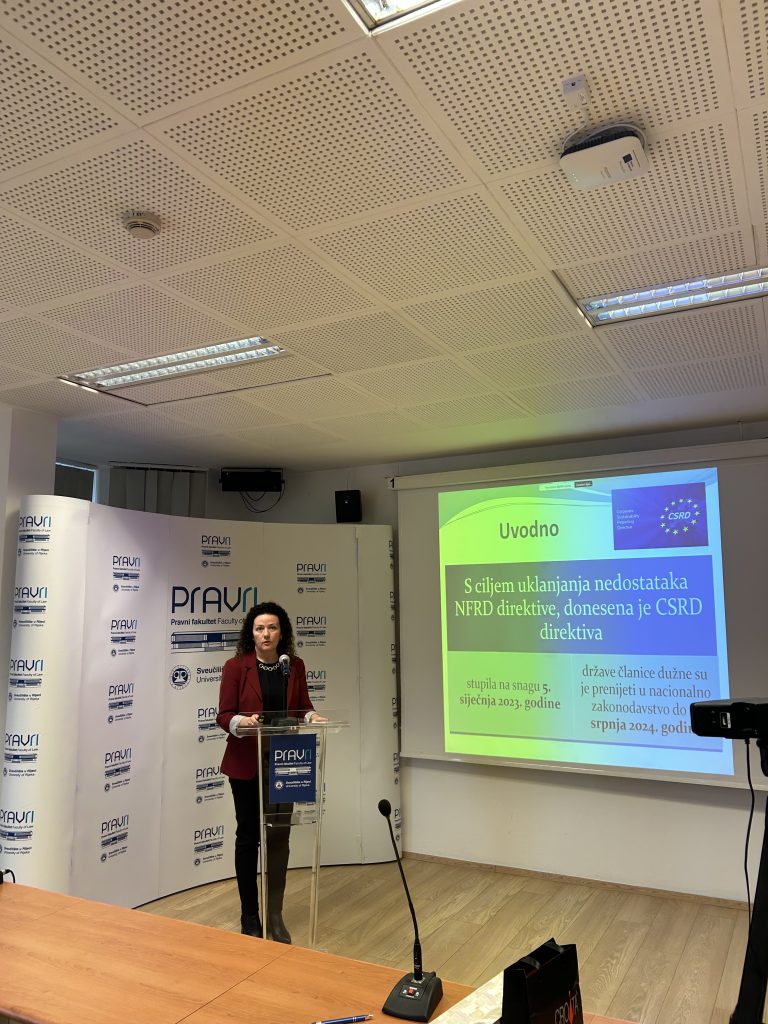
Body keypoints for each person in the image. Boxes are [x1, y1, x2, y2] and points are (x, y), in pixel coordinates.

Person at [216, 601, 325, 942]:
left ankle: (275, 915)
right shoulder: (236, 667)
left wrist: (312, 717)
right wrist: (241, 721)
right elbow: (224, 715)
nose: (266, 634)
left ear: (282, 633)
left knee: (279, 838)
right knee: (249, 838)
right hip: (247, 763)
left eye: (272, 628)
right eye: (260, 628)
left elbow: (302, 707)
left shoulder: (293, 666)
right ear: (251, 633)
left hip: (286, 761)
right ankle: (250, 915)